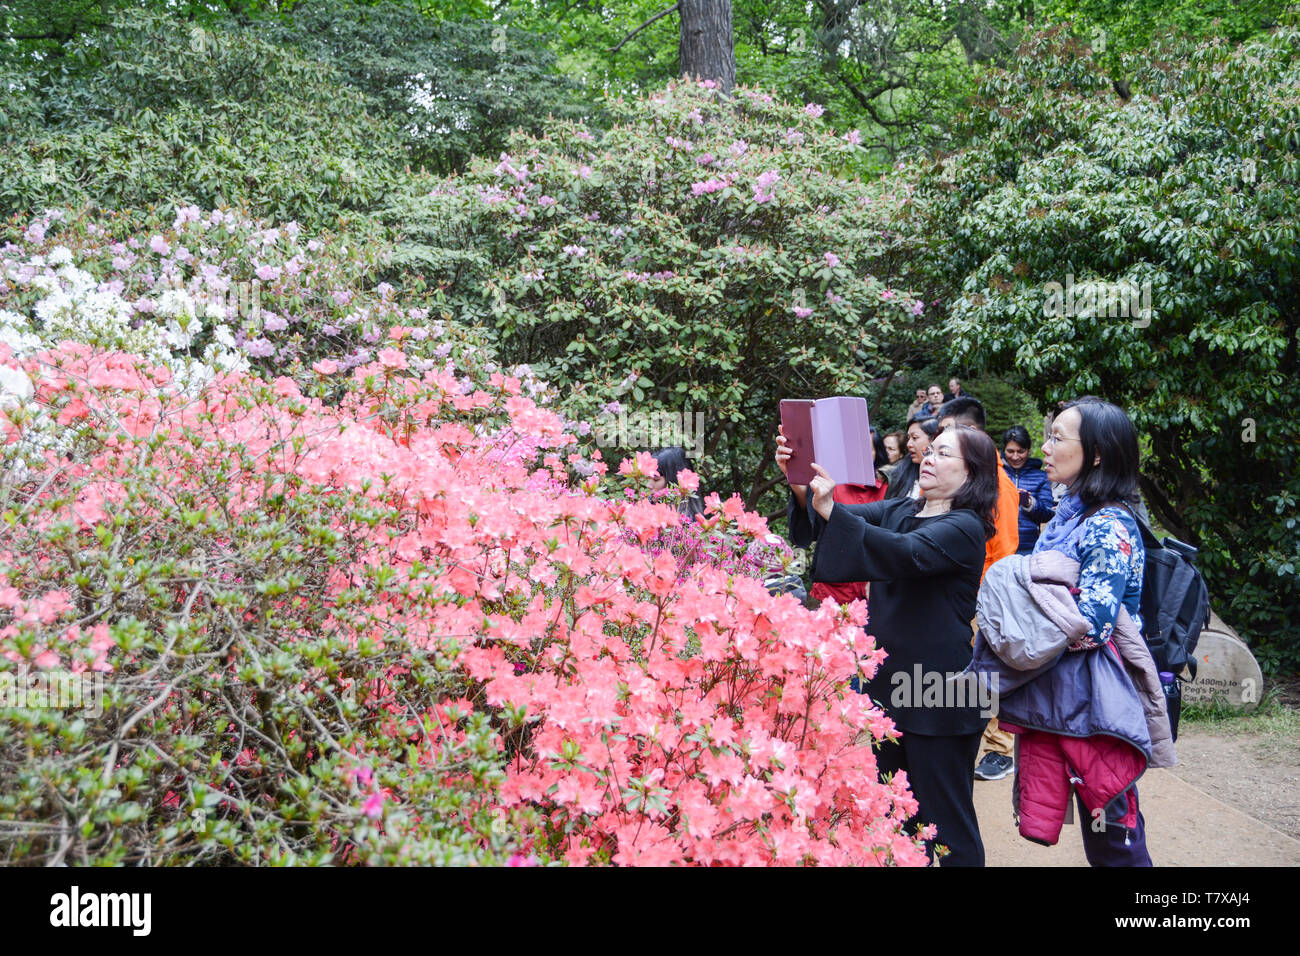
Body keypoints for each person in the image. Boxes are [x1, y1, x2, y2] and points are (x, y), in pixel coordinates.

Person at [778, 423, 999, 866]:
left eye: (943, 454)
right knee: (896, 814)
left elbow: (903, 552)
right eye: (929, 450)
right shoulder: (905, 508)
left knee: (947, 822)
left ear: (972, 474)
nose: (929, 458)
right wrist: (803, 485)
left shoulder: (967, 527)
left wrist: (831, 512)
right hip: (894, 684)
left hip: (943, 689)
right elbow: (843, 518)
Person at [1006, 397, 1156, 865]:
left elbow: (1092, 627)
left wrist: (1016, 615)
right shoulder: (1070, 514)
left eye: (1056, 438)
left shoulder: (1108, 524)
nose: (1045, 447)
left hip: (1100, 700)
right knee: (1103, 827)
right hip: (1072, 697)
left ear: (1094, 454)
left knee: (1114, 832)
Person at [934, 396, 1022, 782]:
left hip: (985, 598)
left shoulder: (996, 484)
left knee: (989, 675)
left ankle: (1000, 750)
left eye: (950, 437)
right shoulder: (972, 478)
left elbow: (1000, 550)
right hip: (965, 596)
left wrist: (978, 603)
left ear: (972, 433)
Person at [1002, 425, 1056, 554]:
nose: (1015, 457)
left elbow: (1048, 514)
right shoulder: (995, 473)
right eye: (1010, 451)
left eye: (1020, 451)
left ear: (1029, 450)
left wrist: (1030, 503)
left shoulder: (1041, 477)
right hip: (998, 544)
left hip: (1028, 547)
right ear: (1003, 450)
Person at [885, 416, 939, 500]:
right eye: (908, 438)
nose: (909, 444)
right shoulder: (899, 474)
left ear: (934, 439)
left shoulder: (947, 479)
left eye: (915, 438)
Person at [649, 446, 705, 518]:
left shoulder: (688, 525)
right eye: (648, 478)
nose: (648, 485)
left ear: (675, 481)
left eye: (656, 479)